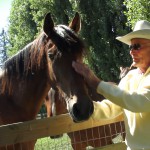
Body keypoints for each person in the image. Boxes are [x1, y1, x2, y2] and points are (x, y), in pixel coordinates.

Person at [72, 20, 150, 150]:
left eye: (137, 46)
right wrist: (87, 109)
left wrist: (96, 82)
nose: (131, 51)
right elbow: (112, 107)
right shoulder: (130, 77)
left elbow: (138, 102)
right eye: (130, 47)